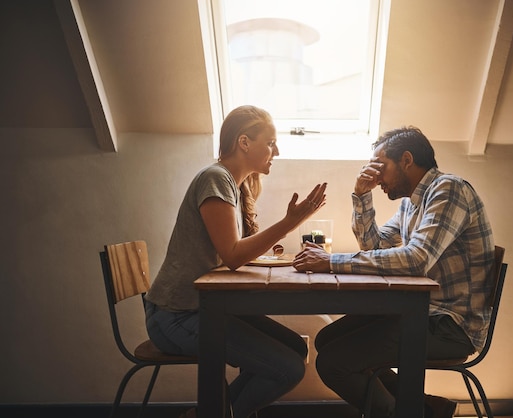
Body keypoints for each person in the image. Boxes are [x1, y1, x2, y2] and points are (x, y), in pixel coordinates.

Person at [293, 126, 494, 418]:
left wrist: (331, 261)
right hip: (423, 311)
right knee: (327, 341)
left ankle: (405, 413)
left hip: (452, 324)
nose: (376, 177)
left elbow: (415, 260)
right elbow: (373, 245)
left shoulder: (449, 190)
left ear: (407, 160)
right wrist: (361, 196)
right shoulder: (410, 204)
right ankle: (423, 408)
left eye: (380, 166)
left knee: (333, 362)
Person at [145, 105, 327, 418]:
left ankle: (210, 413)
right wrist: (291, 221)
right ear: (244, 142)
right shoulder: (216, 179)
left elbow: (233, 252)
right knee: (288, 369)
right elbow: (232, 255)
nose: (276, 151)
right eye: (270, 142)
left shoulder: (234, 185)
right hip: (176, 316)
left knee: (296, 350)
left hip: (203, 309)